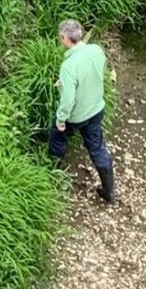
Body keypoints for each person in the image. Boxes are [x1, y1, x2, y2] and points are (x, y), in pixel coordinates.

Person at [49, 19, 115, 204]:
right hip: (97, 108)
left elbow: (68, 100)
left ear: (64, 38)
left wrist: (61, 119)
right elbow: (100, 70)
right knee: (97, 148)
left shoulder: (68, 66)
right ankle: (109, 192)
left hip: (76, 116)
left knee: (57, 135)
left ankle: (54, 169)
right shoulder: (96, 50)